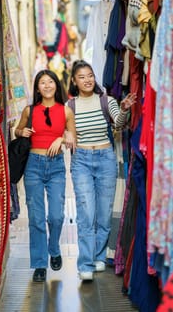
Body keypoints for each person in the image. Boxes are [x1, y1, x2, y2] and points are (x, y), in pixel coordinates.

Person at [67, 60, 137, 281]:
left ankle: (98, 256)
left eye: (90, 75)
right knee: (86, 213)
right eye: (82, 77)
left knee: (104, 213)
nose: (87, 80)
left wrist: (124, 109)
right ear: (74, 81)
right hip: (82, 161)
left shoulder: (107, 100)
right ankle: (85, 263)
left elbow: (118, 124)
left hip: (106, 158)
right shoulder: (69, 106)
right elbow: (63, 132)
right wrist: (65, 136)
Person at [15, 69, 76, 283]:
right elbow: (18, 131)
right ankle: (40, 264)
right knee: (36, 218)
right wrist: (21, 132)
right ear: (37, 88)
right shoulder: (29, 110)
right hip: (33, 165)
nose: (47, 85)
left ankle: (54, 248)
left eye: (51, 82)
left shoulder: (66, 111)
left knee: (57, 216)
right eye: (43, 82)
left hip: (56, 166)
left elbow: (72, 138)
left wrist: (63, 138)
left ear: (57, 86)